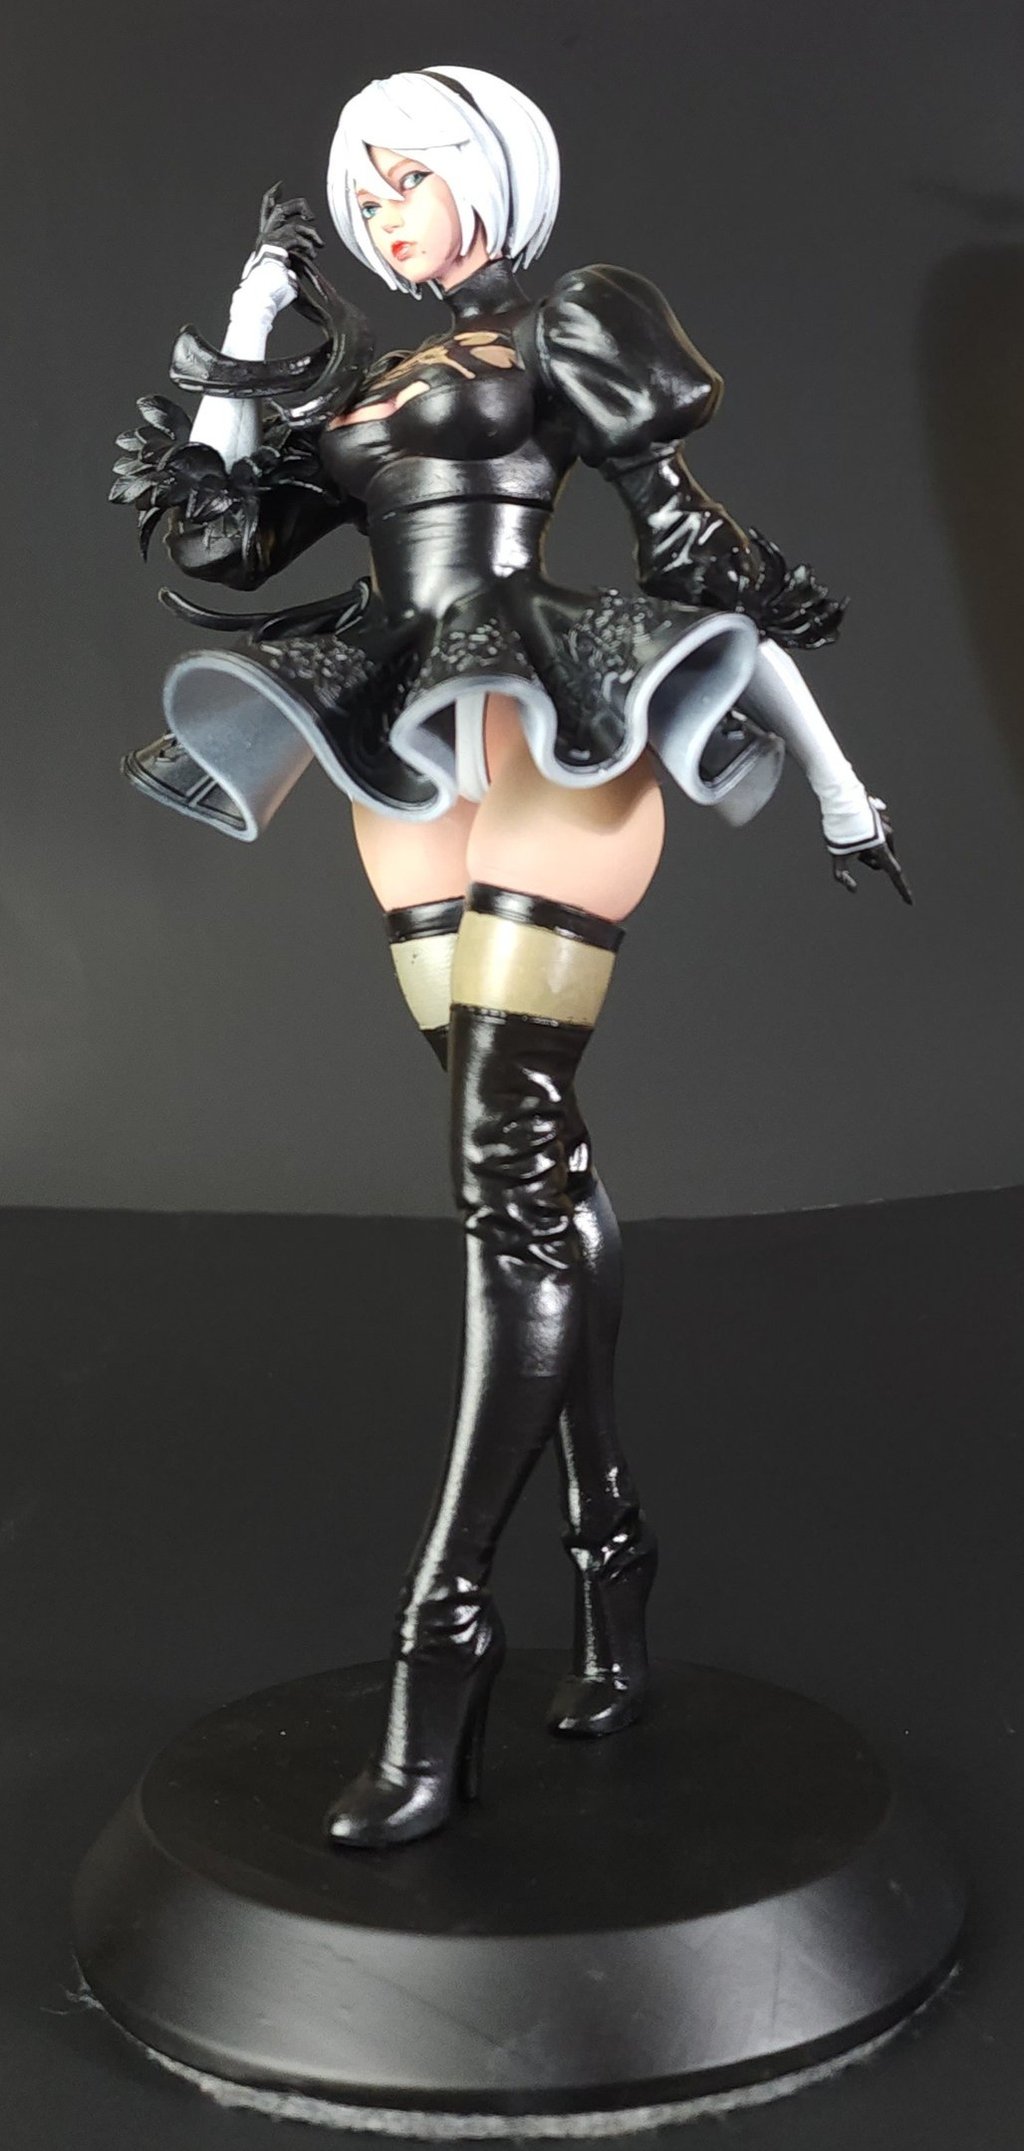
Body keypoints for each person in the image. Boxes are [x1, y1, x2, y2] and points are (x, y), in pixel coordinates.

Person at [111, 65, 910, 1849]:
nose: (386, 211)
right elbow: (215, 528)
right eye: (368, 187)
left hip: (550, 740)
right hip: (406, 757)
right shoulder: (349, 383)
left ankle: (441, 1643)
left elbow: (687, 547)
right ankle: (612, 1556)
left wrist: (842, 782)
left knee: (505, 1181)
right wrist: (248, 324)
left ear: (493, 180)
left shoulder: (564, 323)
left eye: (416, 176)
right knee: (531, 1180)